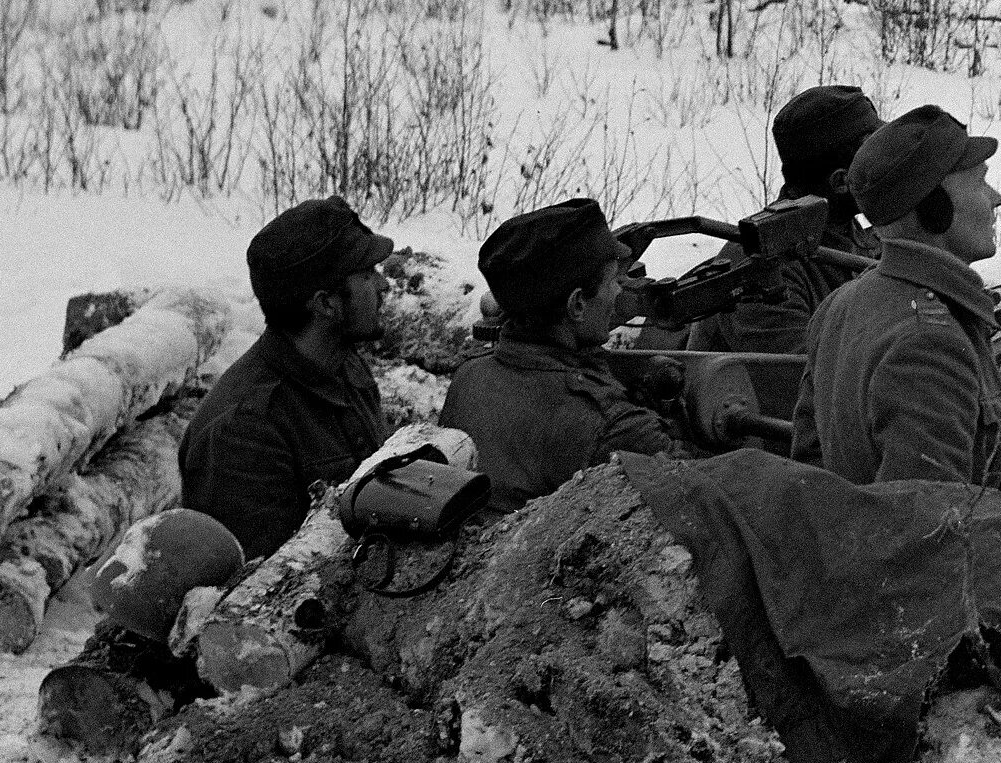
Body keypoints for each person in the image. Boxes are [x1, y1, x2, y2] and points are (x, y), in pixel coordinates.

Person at [792, 104, 1001, 486]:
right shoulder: (929, 343)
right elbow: (929, 527)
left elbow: (812, 468)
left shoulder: (842, 302)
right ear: (935, 208)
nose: (996, 198)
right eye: (980, 182)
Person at [179, 196, 394, 561]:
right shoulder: (244, 432)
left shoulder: (343, 364)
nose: (383, 285)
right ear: (327, 304)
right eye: (367, 274)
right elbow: (258, 590)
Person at [442, 198, 684, 516]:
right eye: (612, 281)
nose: (619, 292)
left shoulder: (468, 376)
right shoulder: (610, 427)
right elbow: (702, 496)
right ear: (577, 305)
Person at [688, 84, 886, 359]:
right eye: (878, 159)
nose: (892, 168)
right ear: (841, 182)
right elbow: (804, 380)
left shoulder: (853, 233)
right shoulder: (761, 270)